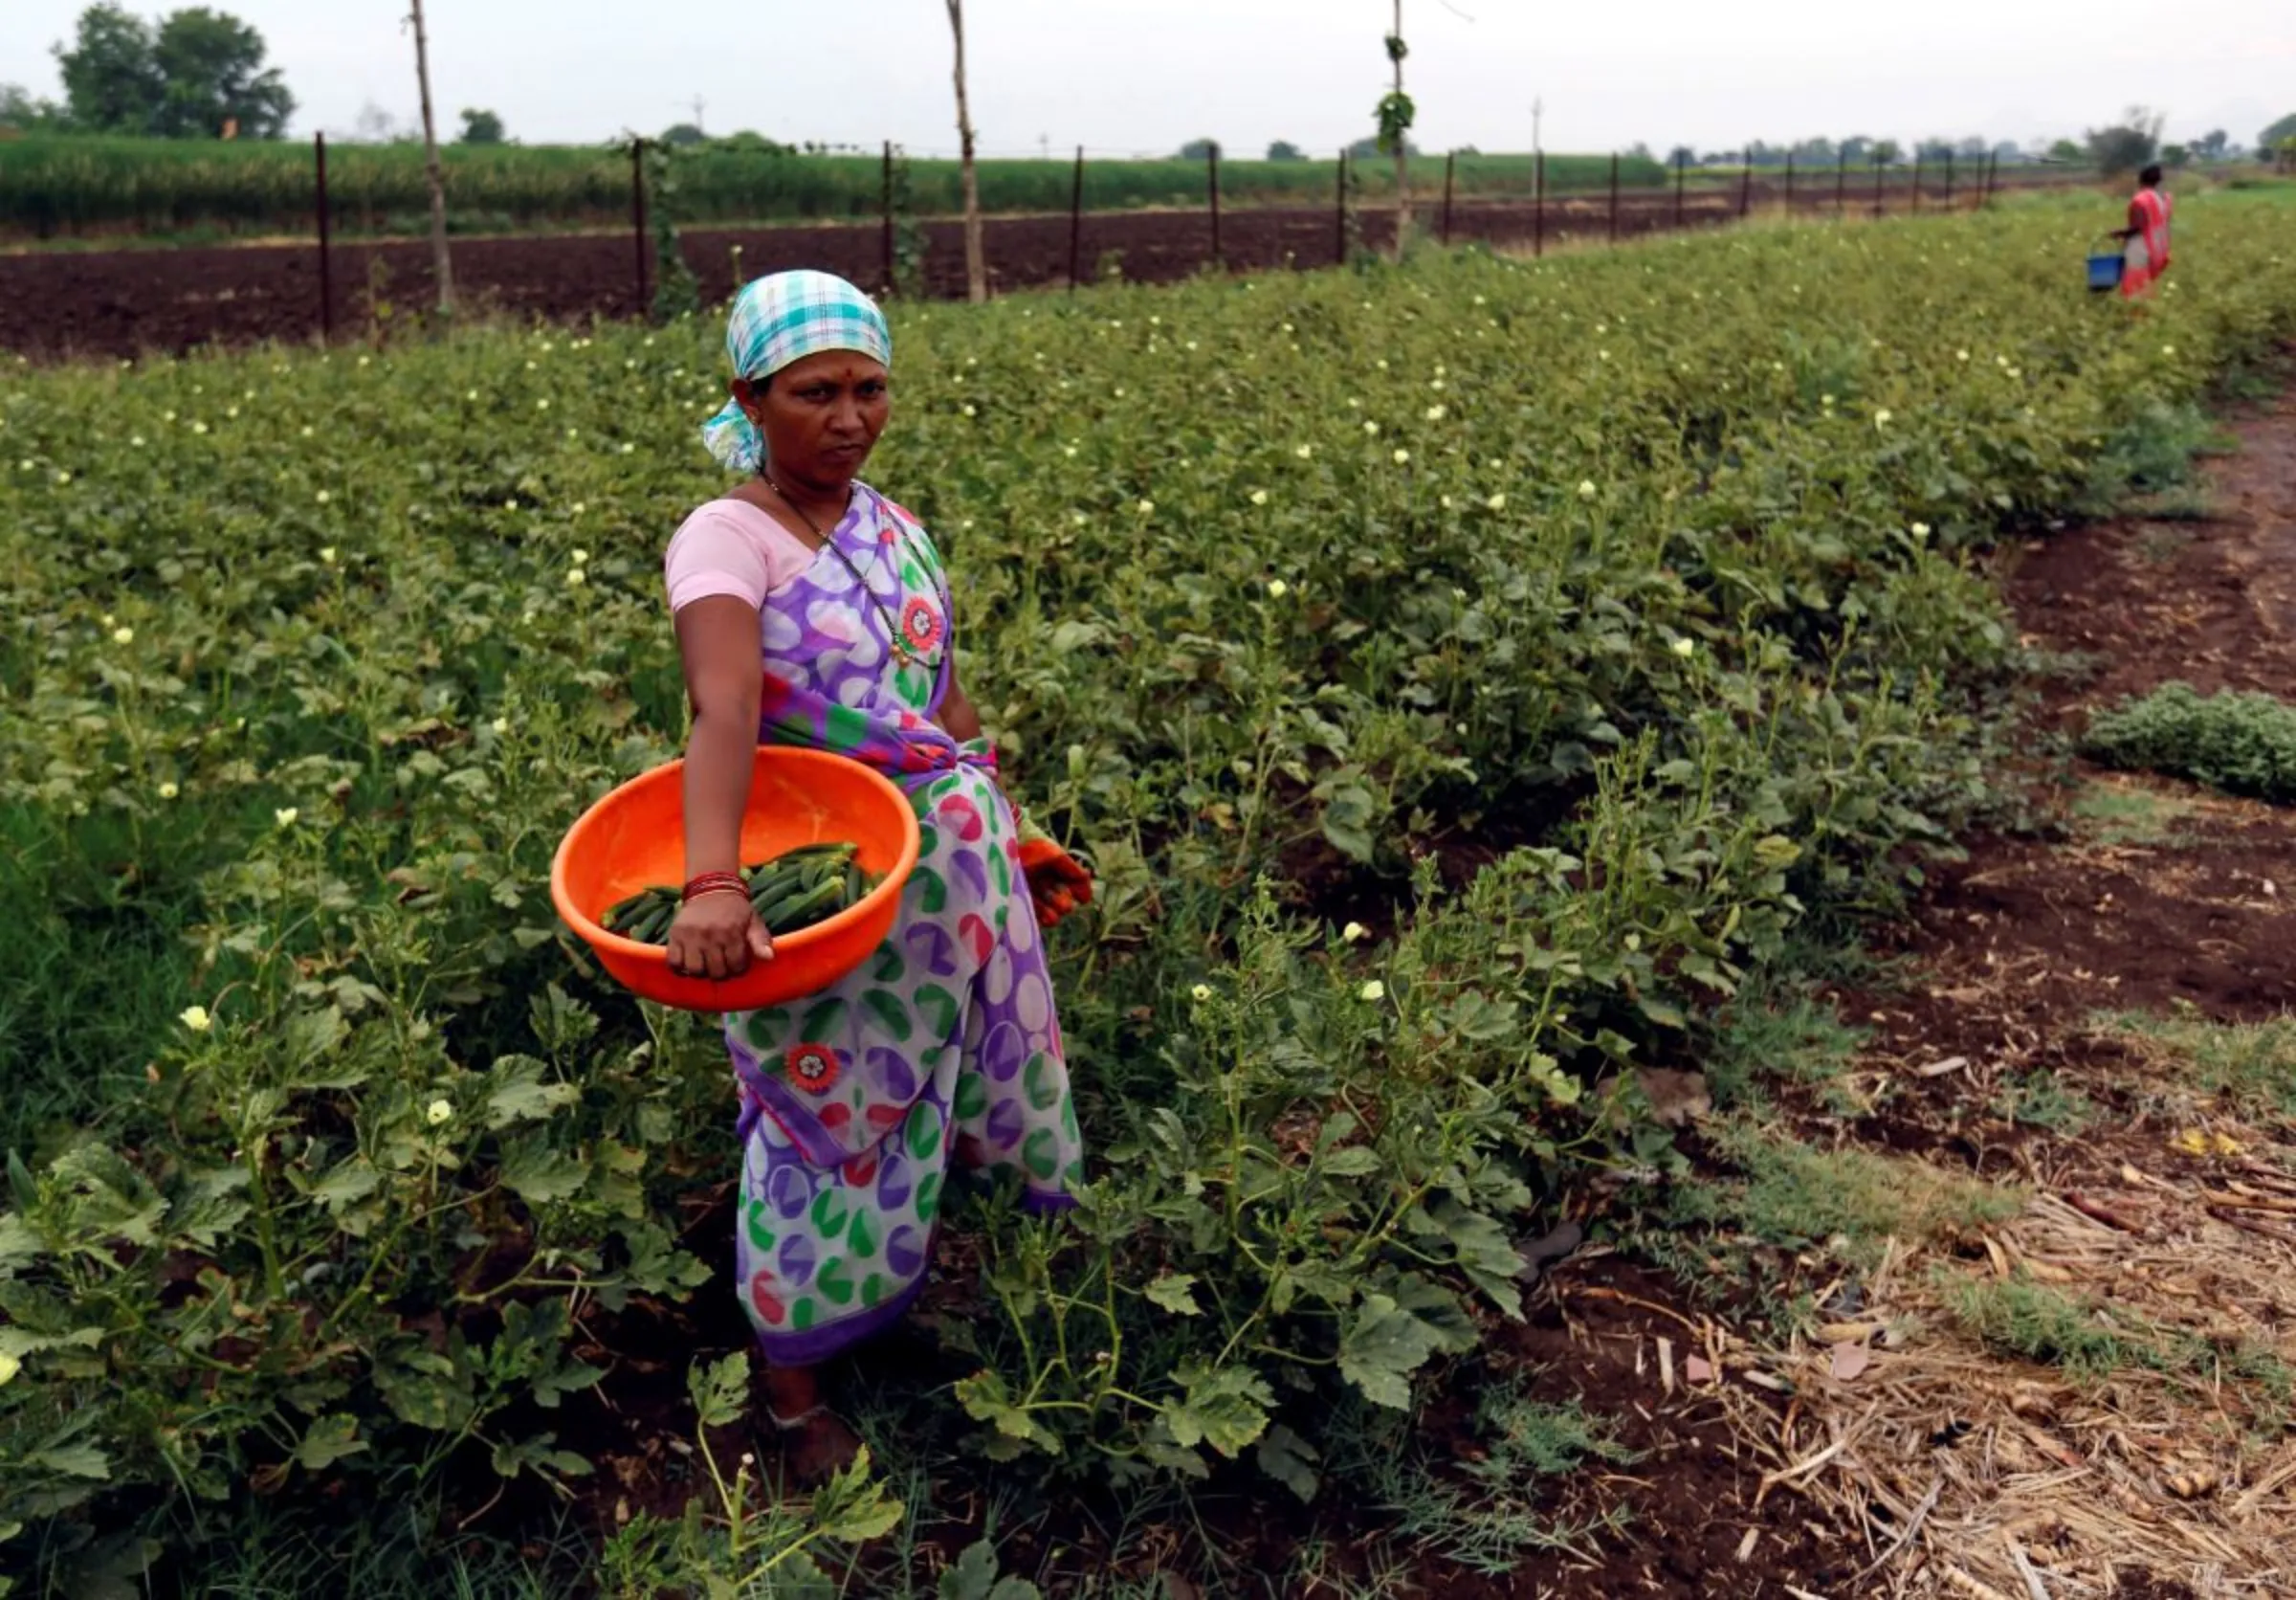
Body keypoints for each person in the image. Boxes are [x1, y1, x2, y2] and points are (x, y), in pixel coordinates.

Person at [660, 269, 1093, 1479]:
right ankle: (791, 1391)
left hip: (952, 876)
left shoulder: (891, 523)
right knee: (824, 1115)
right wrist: (712, 883)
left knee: (950, 1084)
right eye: (814, 394)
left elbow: (942, 704)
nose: (848, 417)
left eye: (869, 389)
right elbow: (724, 705)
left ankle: (917, 1294)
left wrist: (1010, 833)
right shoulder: (723, 537)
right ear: (749, 396)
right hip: (833, 885)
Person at [2114, 164, 2174, 300]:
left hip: (2140, 247)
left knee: (2135, 287)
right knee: (2146, 284)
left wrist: (2119, 233)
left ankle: (2137, 316)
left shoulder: (2140, 199)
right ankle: (2147, 313)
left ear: (2140, 180)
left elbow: (2138, 227)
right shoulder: (2164, 198)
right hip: (2159, 248)